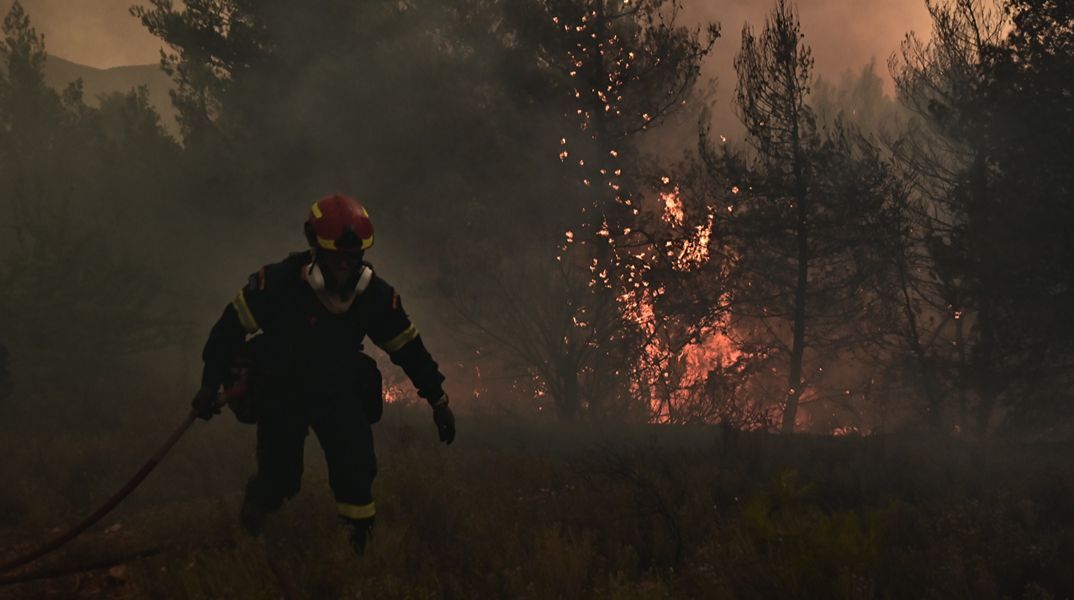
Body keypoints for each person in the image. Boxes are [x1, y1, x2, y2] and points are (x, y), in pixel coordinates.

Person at [192, 193, 455, 555]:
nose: (346, 265)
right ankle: (252, 533)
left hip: (340, 394)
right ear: (315, 245)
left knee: (355, 475)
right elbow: (228, 330)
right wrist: (210, 383)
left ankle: (358, 552)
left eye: (354, 256)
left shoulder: (375, 297)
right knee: (279, 477)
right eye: (338, 256)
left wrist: (438, 399)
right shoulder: (278, 283)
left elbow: (409, 349)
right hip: (281, 392)